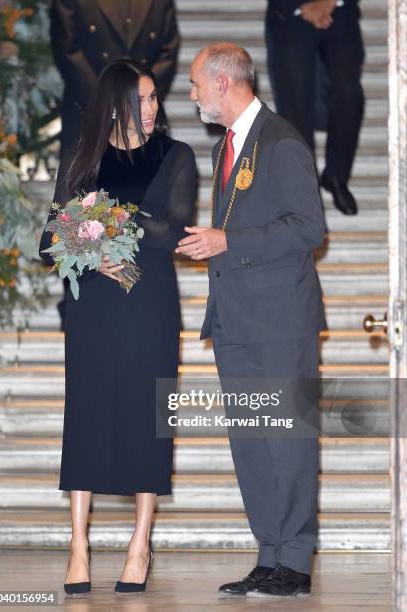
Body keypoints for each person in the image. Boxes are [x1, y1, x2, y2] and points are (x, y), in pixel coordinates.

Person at [39, 59, 196, 594]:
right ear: (115, 104)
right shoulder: (83, 156)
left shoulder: (177, 155)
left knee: (147, 416)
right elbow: (47, 242)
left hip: (149, 304)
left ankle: (139, 543)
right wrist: (90, 248)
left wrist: (102, 218)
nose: (150, 110)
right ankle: (78, 545)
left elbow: (171, 229)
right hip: (94, 309)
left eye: (154, 99)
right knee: (87, 413)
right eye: (141, 100)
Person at [176, 42, 327, 597]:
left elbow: (309, 228)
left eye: (195, 85)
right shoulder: (225, 149)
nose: (191, 95)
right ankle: (270, 554)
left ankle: (296, 560)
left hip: (280, 321)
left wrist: (227, 240)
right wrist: (209, 243)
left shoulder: (282, 141)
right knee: (252, 444)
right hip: (236, 322)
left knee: (287, 441)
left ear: (222, 82)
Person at [50, 0, 180, 327]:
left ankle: (149, 300)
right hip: (87, 110)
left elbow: (168, 47)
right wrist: (109, 100)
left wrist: (140, 102)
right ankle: (79, 302)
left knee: (149, 208)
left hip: (142, 124)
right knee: (76, 212)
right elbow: (66, 46)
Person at [265, 0, 364, 215]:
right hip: (289, 13)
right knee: (295, 107)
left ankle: (336, 176)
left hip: (340, 11)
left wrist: (329, 2)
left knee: (349, 94)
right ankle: (308, 197)